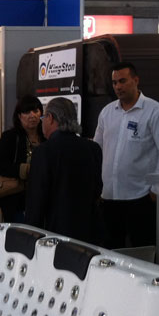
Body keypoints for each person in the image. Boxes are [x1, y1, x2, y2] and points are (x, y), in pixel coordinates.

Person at [94, 62, 159, 249]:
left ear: (136, 80)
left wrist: (156, 189)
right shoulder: (107, 113)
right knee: (110, 253)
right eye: (114, 82)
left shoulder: (156, 112)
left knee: (142, 250)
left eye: (122, 81)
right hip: (109, 197)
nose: (118, 86)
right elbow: (97, 149)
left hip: (141, 197)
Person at [25, 97, 103, 243]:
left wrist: (30, 239)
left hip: (55, 236)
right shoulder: (93, 149)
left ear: (50, 118)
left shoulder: (44, 152)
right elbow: (97, 190)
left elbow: (36, 202)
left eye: (43, 117)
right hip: (89, 235)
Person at [0, 95, 46, 223]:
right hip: (16, 199)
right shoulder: (10, 137)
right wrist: (24, 169)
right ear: (19, 116)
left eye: (36, 111)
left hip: (42, 199)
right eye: (27, 112)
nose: (32, 115)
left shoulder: (46, 136)